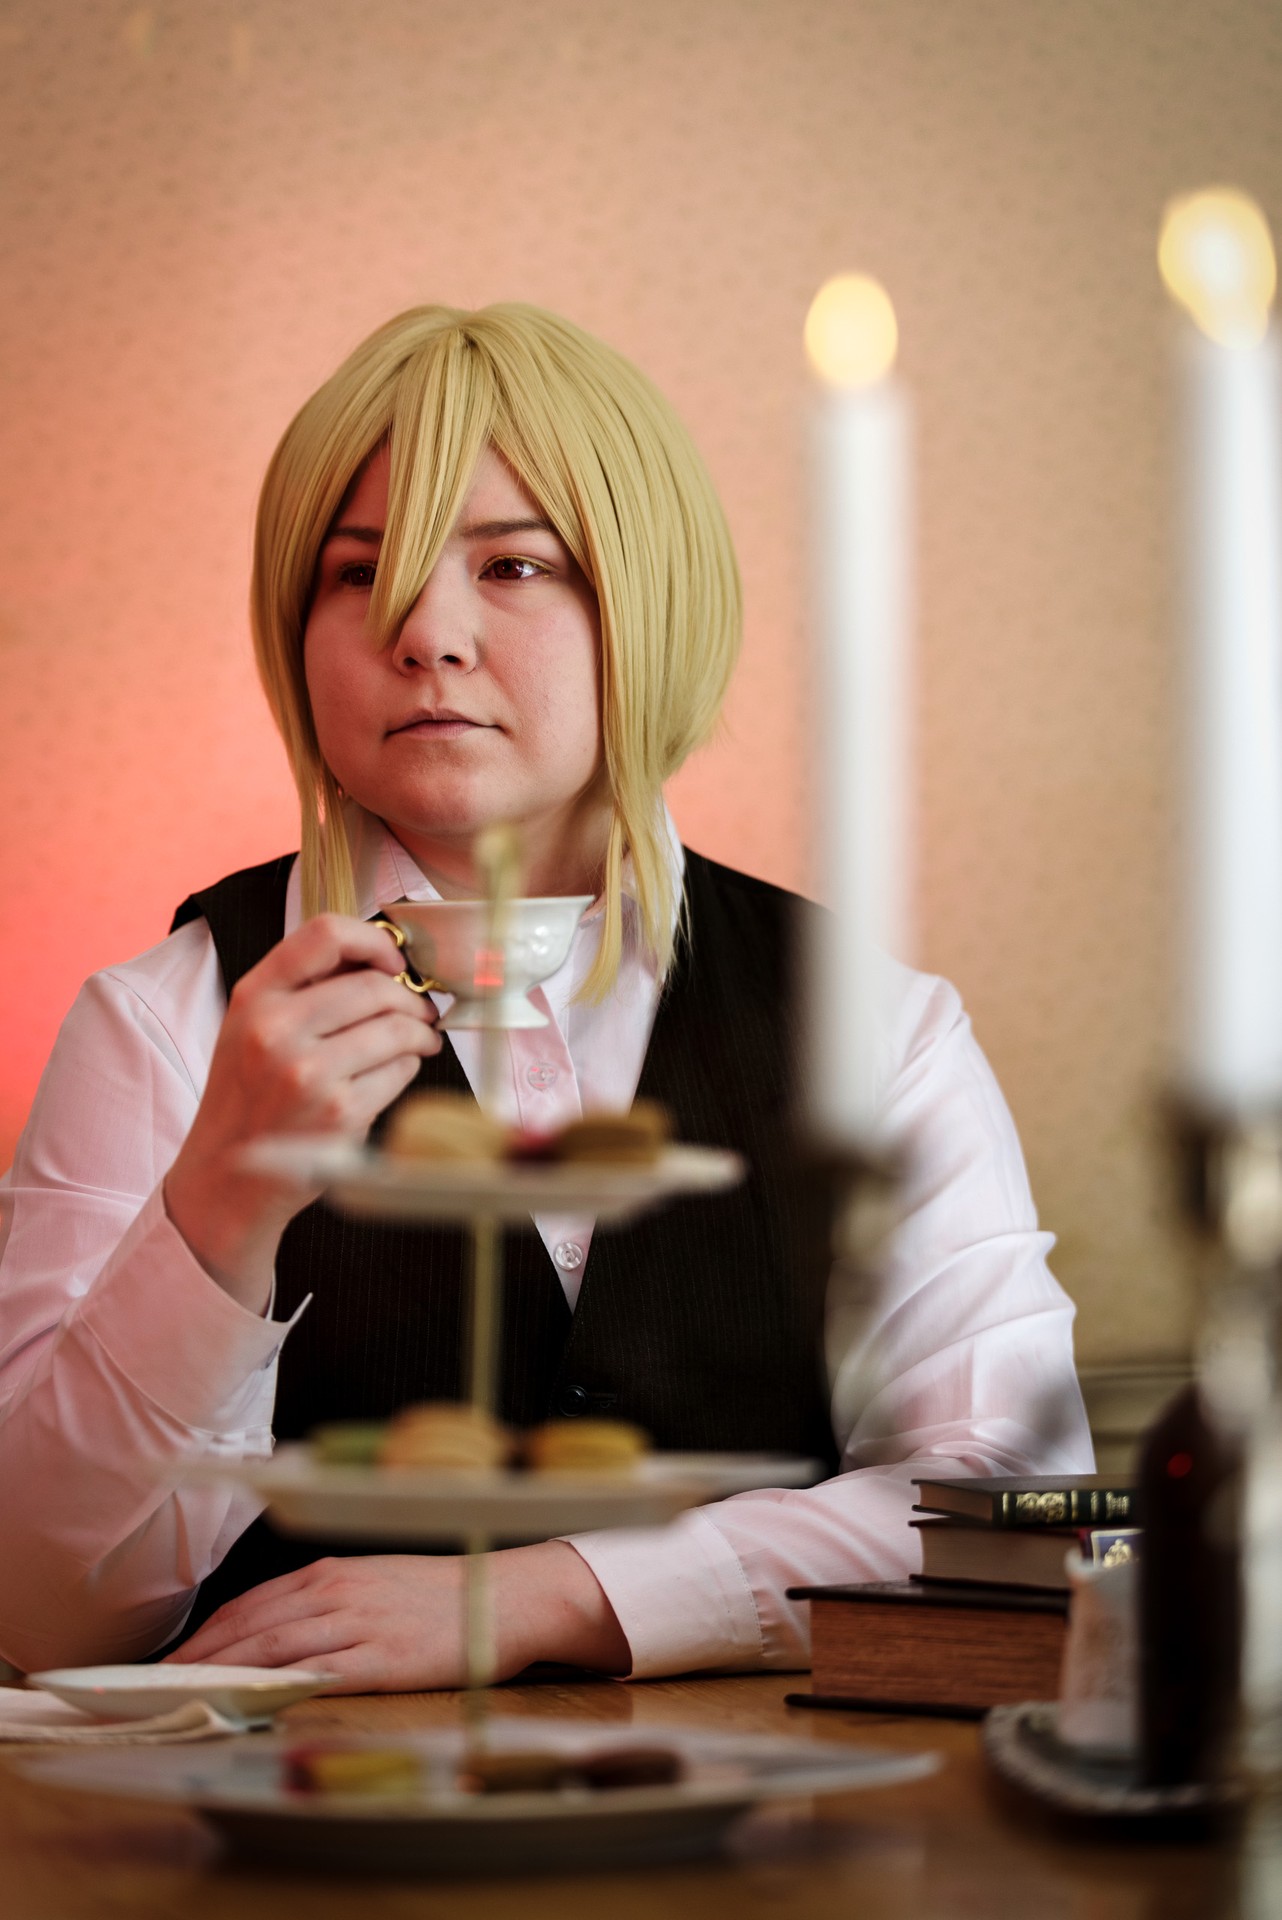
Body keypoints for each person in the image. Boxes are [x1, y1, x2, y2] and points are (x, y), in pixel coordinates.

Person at [0, 303, 1093, 1687]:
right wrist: (217, 1203)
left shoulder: (875, 1028)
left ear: (648, 603)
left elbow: (1015, 1517)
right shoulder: (159, 1024)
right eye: (359, 574)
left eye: (513, 565)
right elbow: (41, 1616)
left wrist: (551, 1596)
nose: (425, 635)